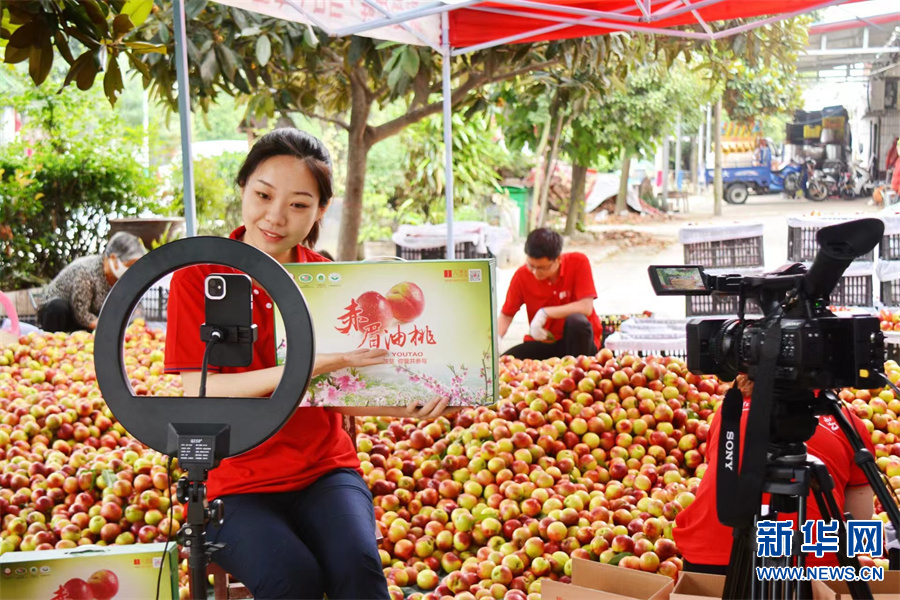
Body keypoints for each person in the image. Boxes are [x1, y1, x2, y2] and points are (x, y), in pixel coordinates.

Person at [164, 128, 450, 600]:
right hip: (236, 483)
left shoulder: (326, 279)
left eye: (298, 204)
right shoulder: (200, 276)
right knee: (292, 579)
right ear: (243, 189)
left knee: (358, 571)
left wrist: (411, 403)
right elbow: (203, 388)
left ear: (320, 211)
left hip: (323, 471)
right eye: (263, 195)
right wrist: (321, 360)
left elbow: (335, 395)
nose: (275, 216)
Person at [674, 374, 875, 574]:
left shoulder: (729, 412)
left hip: (709, 556)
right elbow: (859, 524)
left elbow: (721, 477)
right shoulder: (850, 427)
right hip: (813, 564)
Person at [499, 228, 603, 360]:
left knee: (577, 322)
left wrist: (545, 312)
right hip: (545, 342)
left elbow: (585, 307)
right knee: (505, 361)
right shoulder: (522, 276)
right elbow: (507, 314)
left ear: (558, 259)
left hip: (579, 344)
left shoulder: (578, 262)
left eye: (542, 268)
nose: (536, 272)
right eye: (531, 266)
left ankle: (580, 372)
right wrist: (496, 339)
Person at [37, 231, 146, 332]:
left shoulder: (124, 278)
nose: (133, 271)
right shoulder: (87, 271)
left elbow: (135, 305)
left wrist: (136, 322)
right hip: (65, 314)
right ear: (113, 258)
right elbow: (81, 314)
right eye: (130, 265)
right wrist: (112, 331)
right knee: (57, 307)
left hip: (94, 315)